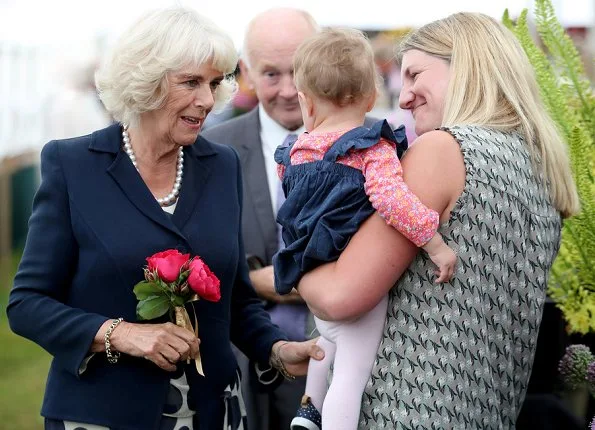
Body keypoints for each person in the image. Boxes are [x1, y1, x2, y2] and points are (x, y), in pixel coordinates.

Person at [6, 7, 322, 430]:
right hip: (103, 415)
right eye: (191, 82)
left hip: (216, 413)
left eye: (213, 83)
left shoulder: (221, 164)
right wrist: (122, 335)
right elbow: (27, 304)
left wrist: (276, 350)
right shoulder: (73, 164)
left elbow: (236, 300)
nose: (208, 100)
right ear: (146, 81)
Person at [296, 12, 580, 429]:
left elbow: (340, 295)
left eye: (414, 74)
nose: (405, 95)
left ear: (465, 65)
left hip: (402, 414)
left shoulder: (443, 150)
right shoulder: (539, 167)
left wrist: (290, 266)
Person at [270, 28, 456, 430]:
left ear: (305, 101)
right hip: (352, 270)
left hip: (309, 265)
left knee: (326, 340)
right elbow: (392, 201)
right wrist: (434, 242)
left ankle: (307, 409)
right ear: (372, 97)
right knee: (352, 374)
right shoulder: (371, 147)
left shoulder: (294, 152)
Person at [201, 8, 320, 430]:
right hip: (239, 371)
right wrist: (253, 283)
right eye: (271, 74)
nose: (289, 90)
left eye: (299, 70)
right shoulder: (209, 149)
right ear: (246, 73)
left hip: (331, 368)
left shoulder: (368, 143)